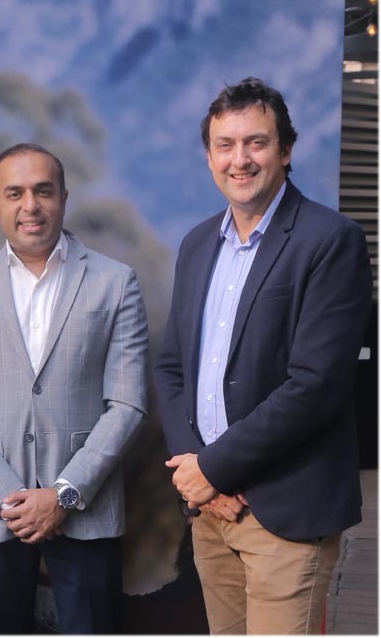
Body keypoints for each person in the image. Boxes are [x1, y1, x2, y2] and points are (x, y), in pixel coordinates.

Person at [153, 78, 373, 635]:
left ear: (286, 150)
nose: (240, 159)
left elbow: (316, 385)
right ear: (209, 157)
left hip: (284, 511)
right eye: (224, 145)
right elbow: (172, 369)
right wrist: (194, 471)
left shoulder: (331, 240)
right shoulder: (197, 244)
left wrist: (213, 469)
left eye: (256, 142)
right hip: (211, 511)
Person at [0, 143, 149, 634]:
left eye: (43, 191)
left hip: (86, 512)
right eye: (15, 193)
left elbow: (128, 404)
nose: (30, 205)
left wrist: (64, 495)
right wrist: (11, 498)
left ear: (64, 198)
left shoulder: (116, 283)